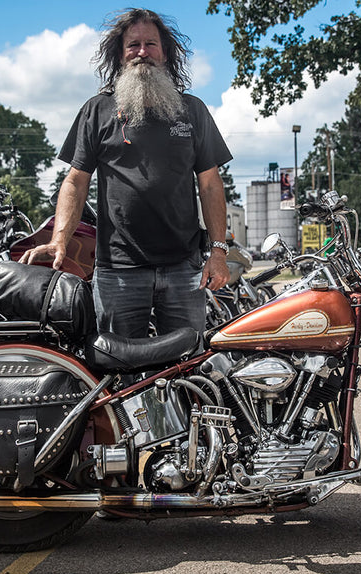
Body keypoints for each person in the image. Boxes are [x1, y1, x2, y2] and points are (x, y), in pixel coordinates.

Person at [21, 9, 232, 338]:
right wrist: (58, 240)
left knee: (186, 367)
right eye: (134, 45)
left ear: (166, 53)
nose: (143, 52)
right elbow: (76, 182)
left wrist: (218, 252)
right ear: (120, 54)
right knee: (120, 370)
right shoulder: (97, 110)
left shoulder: (193, 111)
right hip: (118, 270)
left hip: (183, 267)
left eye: (151, 43)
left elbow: (210, 185)